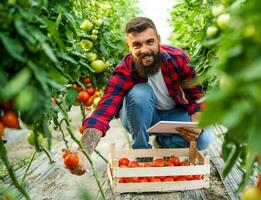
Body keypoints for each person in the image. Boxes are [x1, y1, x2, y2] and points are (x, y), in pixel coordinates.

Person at [70, 17, 212, 175]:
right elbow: (103, 111)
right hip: (138, 119)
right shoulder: (124, 70)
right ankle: (142, 152)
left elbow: (196, 96)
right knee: (140, 92)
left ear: (158, 40)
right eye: (136, 45)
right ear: (128, 46)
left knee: (204, 139)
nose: (144, 50)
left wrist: (198, 126)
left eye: (149, 42)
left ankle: (163, 141)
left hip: (172, 115)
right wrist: (83, 152)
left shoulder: (178, 59)